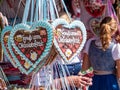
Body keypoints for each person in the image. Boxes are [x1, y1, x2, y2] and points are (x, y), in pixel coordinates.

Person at [81, 16, 120, 90]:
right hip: (110, 82)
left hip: (95, 81)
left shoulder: (90, 43)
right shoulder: (115, 47)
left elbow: (84, 67)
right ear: (114, 30)